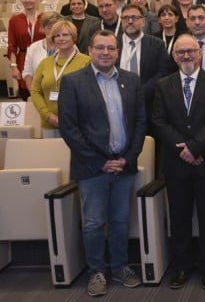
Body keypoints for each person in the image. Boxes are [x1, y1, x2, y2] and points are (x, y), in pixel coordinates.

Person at [58, 29, 147, 297]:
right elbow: (69, 128)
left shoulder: (132, 80)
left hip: (124, 165)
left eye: (111, 48)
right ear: (89, 50)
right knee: (95, 222)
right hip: (91, 167)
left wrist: (127, 158)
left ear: (118, 52)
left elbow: (141, 122)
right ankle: (96, 270)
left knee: (120, 221)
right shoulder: (73, 82)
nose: (106, 53)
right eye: (100, 48)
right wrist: (100, 162)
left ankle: (119, 267)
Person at [151, 34, 205, 290]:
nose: (186, 56)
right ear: (174, 56)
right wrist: (183, 150)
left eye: (191, 51)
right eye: (181, 52)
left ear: (200, 53)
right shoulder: (163, 85)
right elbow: (159, 121)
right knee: (180, 217)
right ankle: (182, 267)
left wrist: (194, 147)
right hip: (176, 163)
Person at [31, 21, 91, 138]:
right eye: (57, 36)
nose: (61, 39)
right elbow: (35, 91)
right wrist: (47, 115)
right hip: (49, 124)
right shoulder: (45, 63)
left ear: (73, 37)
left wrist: (71, 118)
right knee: (51, 156)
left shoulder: (86, 61)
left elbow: (89, 95)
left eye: (65, 35)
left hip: (77, 124)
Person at [116, 4, 172, 127]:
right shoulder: (112, 44)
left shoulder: (157, 44)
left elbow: (163, 73)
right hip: (116, 105)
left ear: (143, 21)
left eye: (134, 17)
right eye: (125, 18)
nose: (130, 21)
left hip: (148, 106)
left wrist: (141, 93)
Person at [7, 0, 45, 100]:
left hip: (43, 57)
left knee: (45, 89)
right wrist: (14, 67)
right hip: (23, 59)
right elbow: (12, 45)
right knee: (27, 94)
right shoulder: (15, 20)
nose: (27, 0)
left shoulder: (45, 17)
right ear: (20, 0)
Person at [23, 12, 64, 90]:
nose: (53, 31)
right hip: (40, 92)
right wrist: (34, 95)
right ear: (42, 28)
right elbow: (28, 74)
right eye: (50, 27)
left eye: (57, 28)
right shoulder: (34, 47)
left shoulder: (70, 47)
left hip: (65, 93)